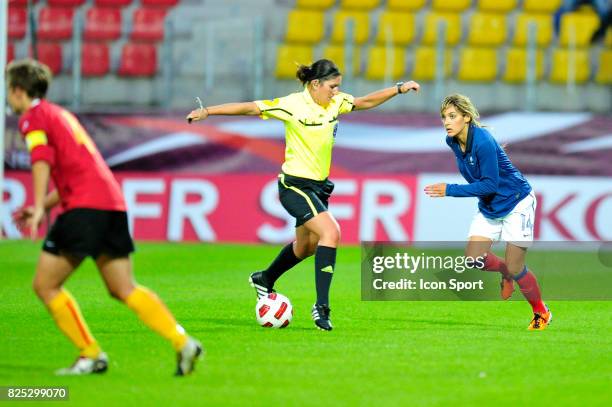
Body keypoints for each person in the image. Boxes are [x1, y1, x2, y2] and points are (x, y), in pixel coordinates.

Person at [187, 59, 420, 331]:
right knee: (331, 233)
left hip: (319, 187)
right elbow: (251, 107)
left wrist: (399, 89)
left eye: (338, 87)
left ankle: (264, 278)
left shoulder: (336, 102)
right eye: (332, 86)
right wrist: (208, 112)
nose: (336, 92)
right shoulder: (292, 104)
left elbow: (365, 101)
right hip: (294, 185)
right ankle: (321, 307)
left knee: (306, 247)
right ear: (315, 85)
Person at [7, 59, 203, 375]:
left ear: (17, 90)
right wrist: (44, 202)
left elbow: (40, 160)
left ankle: (90, 354)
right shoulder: (61, 115)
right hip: (111, 204)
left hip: (84, 208)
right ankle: (183, 342)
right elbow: (79, 171)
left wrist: (39, 206)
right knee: (123, 288)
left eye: (9, 90)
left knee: (45, 285)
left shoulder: (33, 117)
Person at [424, 94, 552, 331]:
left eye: (452, 116)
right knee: (473, 259)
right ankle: (505, 271)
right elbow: (478, 177)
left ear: (467, 117)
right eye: (444, 117)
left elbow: (490, 184)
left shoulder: (482, 141)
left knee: (516, 267)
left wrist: (449, 189)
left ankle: (541, 312)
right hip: (490, 206)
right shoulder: (452, 141)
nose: (446, 122)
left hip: (516, 202)